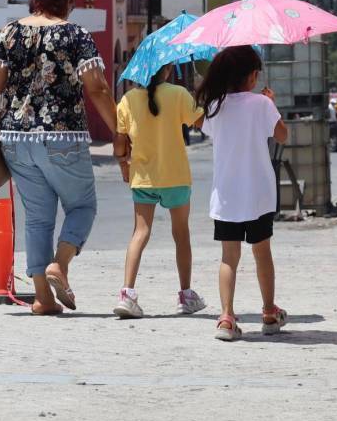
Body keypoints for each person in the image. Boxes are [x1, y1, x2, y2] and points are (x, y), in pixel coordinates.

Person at [0, 0, 119, 316]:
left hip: (14, 137)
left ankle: (42, 298)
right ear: (69, 3)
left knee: (37, 218)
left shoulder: (10, 31)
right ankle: (60, 264)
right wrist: (119, 131)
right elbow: (97, 87)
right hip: (62, 134)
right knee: (82, 207)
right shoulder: (76, 34)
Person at [196, 45, 290, 342]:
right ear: (251, 75)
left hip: (226, 196)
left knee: (228, 257)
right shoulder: (261, 105)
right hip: (259, 194)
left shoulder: (215, 106)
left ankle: (226, 316)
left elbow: (207, 128)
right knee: (262, 254)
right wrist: (272, 105)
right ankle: (269, 312)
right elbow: (282, 136)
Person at [113, 63, 207, 319]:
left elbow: (119, 142)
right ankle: (186, 295)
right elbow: (200, 122)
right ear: (166, 70)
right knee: (181, 234)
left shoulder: (129, 99)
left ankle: (127, 294)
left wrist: (123, 164)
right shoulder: (178, 94)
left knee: (140, 233)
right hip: (175, 177)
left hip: (143, 178)